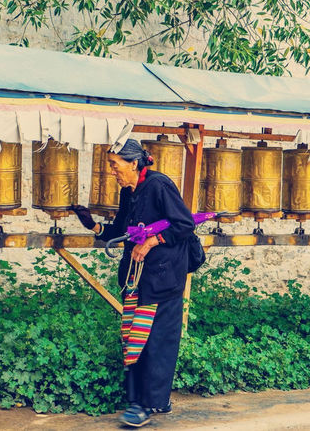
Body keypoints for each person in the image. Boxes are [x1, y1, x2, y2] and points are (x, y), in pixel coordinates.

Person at [70, 139, 195, 428]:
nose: (112, 171)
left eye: (115, 165)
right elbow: (122, 230)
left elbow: (184, 224)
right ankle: (154, 400)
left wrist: (152, 241)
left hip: (163, 278)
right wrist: (93, 226)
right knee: (134, 337)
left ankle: (144, 405)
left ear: (134, 163)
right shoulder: (130, 192)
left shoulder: (159, 185)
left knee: (156, 342)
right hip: (138, 278)